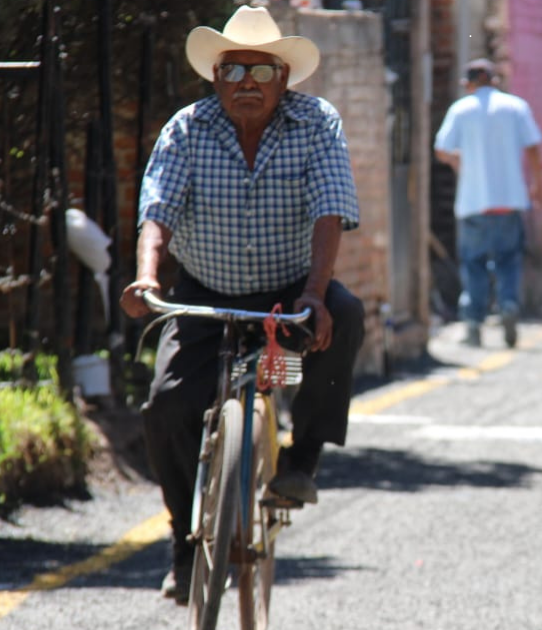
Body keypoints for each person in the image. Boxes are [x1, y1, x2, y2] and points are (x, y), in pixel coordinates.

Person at [118, 5, 365, 604]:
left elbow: (329, 208)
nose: (246, 84)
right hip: (206, 288)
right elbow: (158, 211)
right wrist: (147, 279)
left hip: (289, 288)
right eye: (232, 71)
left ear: (283, 77)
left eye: (260, 71)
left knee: (347, 315)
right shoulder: (187, 128)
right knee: (165, 407)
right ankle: (183, 539)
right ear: (215, 78)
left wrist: (314, 294)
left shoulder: (316, 122)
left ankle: (301, 459)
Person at [434, 58, 542, 348]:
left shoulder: (461, 109)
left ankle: (473, 324)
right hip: (510, 200)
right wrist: (538, 185)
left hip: (474, 201)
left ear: (469, 84)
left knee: (474, 264)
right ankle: (508, 305)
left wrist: (459, 159)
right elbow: (533, 147)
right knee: (509, 260)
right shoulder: (516, 107)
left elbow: (441, 149)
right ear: (494, 80)